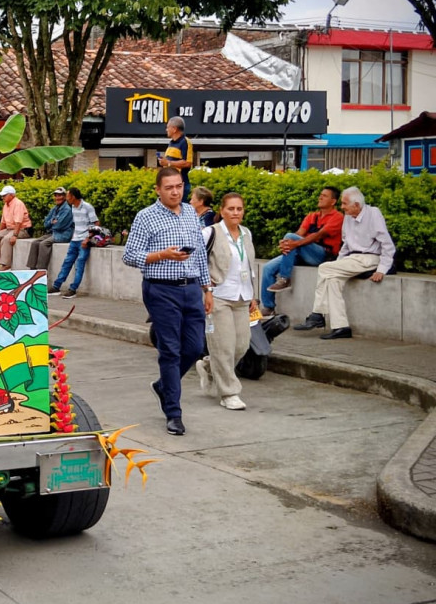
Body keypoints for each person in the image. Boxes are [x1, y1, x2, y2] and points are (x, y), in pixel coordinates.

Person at [123, 168, 213, 436]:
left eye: (179, 186)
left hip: (192, 289)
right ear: (158, 190)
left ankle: (164, 386)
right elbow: (129, 256)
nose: (176, 191)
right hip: (161, 290)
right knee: (170, 350)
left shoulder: (189, 212)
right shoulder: (146, 217)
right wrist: (162, 255)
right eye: (169, 187)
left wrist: (207, 288)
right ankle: (173, 412)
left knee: (196, 346)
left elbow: (199, 255)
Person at [293, 186, 395, 340]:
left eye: (344, 204)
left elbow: (387, 245)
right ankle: (341, 327)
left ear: (356, 205)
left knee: (324, 268)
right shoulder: (348, 216)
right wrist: (339, 264)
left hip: (370, 258)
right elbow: (346, 244)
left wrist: (382, 269)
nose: (342, 207)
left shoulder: (373, 214)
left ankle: (318, 313)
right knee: (332, 280)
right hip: (352, 258)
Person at [195, 193, 257, 411]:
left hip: (241, 297)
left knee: (241, 345)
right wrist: (206, 289)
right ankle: (229, 393)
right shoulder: (210, 233)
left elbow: (249, 265)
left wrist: (253, 296)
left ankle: (208, 366)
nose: (235, 213)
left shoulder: (246, 233)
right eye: (231, 209)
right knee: (223, 347)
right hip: (218, 296)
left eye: (239, 209)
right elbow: (196, 260)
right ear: (221, 211)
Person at [259, 186, 344, 317]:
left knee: (290, 237)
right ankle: (269, 307)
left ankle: (285, 278)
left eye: (325, 196)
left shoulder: (337, 217)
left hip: (323, 256)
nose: (320, 197)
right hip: (303, 253)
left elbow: (318, 235)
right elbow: (299, 234)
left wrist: (293, 242)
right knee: (268, 268)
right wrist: (286, 243)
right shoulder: (312, 216)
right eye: (320, 195)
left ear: (333, 201)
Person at [47, 187, 99, 299]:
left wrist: (87, 239)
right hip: (74, 239)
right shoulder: (73, 207)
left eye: (68, 196)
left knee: (79, 265)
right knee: (67, 263)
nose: (66, 198)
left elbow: (96, 223)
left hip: (83, 241)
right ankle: (56, 286)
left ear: (73, 197)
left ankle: (73, 289)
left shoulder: (87, 207)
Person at [27, 186, 73, 270]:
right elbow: (45, 224)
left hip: (63, 234)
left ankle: (41, 270)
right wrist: (52, 221)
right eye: (56, 195)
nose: (57, 197)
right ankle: (32, 269)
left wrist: (52, 223)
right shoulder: (54, 209)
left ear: (64, 197)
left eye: (60, 195)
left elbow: (59, 225)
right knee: (35, 243)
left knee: (44, 244)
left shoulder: (67, 210)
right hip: (53, 232)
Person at [0, 185, 31, 271]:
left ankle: (6, 264)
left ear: (12, 195)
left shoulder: (18, 204)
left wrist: (15, 235)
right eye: (2, 196)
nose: (2, 197)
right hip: (9, 228)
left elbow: (18, 222)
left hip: (22, 229)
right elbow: (3, 222)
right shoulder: (5, 205)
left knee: (6, 239)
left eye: (4, 195)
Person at [158, 116, 194, 198]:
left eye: (168, 127)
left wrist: (168, 163)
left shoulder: (185, 142)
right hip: (169, 182)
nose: (166, 130)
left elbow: (187, 163)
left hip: (180, 184)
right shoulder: (171, 143)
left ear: (174, 129)